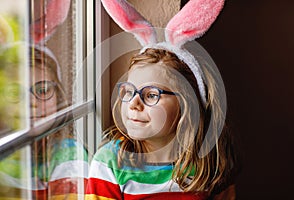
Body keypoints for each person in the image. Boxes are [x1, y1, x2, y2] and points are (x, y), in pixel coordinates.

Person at [86, 0, 240, 199]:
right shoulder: (110, 163)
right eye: (128, 91)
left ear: (187, 105)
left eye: (151, 95)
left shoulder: (211, 162)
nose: (133, 103)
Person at [0, 45, 88, 200]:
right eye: (14, 93)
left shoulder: (69, 154)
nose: (32, 102)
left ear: (58, 96)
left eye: (42, 90)